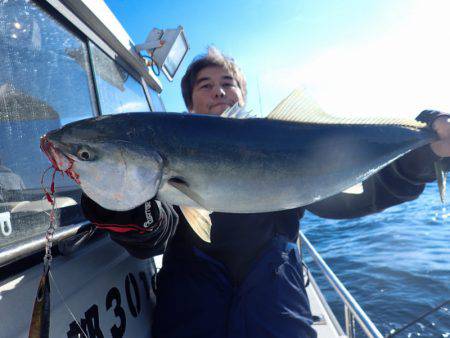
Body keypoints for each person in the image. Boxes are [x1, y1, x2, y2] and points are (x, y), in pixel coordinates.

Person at [82, 47, 450, 338]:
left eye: (228, 82)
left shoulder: (288, 146)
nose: (219, 91)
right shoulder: (168, 152)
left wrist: (424, 148)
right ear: (189, 105)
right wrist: (122, 207)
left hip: (275, 288)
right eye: (204, 85)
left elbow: (360, 196)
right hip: (191, 289)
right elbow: (154, 235)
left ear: (242, 94)